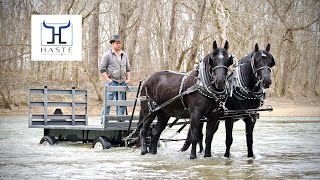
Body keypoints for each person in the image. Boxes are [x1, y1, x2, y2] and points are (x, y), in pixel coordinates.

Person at [99, 35, 131, 122]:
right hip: (112, 81)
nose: (118, 45)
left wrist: (128, 79)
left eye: (120, 43)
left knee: (122, 103)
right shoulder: (107, 55)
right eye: (117, 43)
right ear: (112, 44)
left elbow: (128, 69)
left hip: (123, 82)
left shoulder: (124, 55)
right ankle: (104, 119)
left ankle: (120, 119)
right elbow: (102, 69)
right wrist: (108, 80)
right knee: (108, 102)